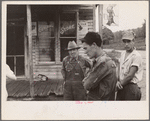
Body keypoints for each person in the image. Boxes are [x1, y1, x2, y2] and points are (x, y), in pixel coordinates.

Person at [80, 32, 117, 100]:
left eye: (86, 48)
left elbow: (86, 85)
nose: (85, 52)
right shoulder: (99, 61)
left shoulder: (103, 63)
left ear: (94, 45)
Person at [116, 31, 143, 100]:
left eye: (128, 41)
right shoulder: (122, 54)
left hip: (131, 87)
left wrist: (119, 85)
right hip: (121, 86)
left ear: (133, 41)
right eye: (124, 42)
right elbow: (119, 68)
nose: (126, 44)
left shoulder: (136, 56)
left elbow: (130, 75)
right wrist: (117, 81)